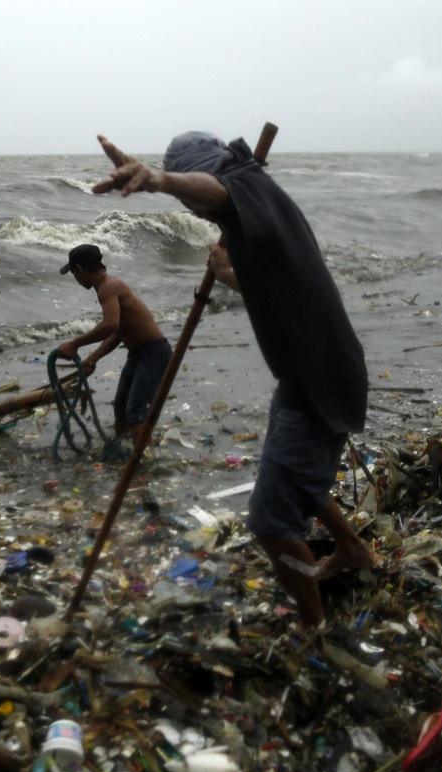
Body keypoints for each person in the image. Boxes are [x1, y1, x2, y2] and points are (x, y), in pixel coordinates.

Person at [92, 131, 376, 629]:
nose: (192, 208)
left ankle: (313, 628)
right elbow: (278, 284)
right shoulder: (257, 200)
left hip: (318, 383)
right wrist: (228, 276)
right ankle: (352, 550)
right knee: (294, 477)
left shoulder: (243, 187)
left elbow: (218, 190)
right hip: (313, 373)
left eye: (188, 197)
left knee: (270, 522)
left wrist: (158, 180)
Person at [56, 244, 172, 449]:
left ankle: (143, 459)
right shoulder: (108, 286)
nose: (76, 279)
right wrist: (93, 357)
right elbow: (119, 332)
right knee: (122, 408)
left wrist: (75, 343)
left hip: (153, 353)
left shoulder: (108, 286)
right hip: (138, 354)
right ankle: (122, 451)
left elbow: (111, 324)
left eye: (74, 273)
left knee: (137, 412)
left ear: (80, 269)